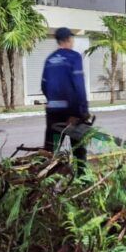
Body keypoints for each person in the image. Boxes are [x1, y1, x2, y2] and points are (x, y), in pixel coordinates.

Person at [41, 27, 90, 163]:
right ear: (68, 39)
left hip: (53, 113)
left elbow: (44, 86)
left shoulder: (50, 59)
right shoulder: (74, 57)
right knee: (79, 150)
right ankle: (83, 180)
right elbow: (79, 86)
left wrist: (53, 100)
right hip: (72, 113)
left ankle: (44, 179)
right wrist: (83, 110)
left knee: (51, 150)